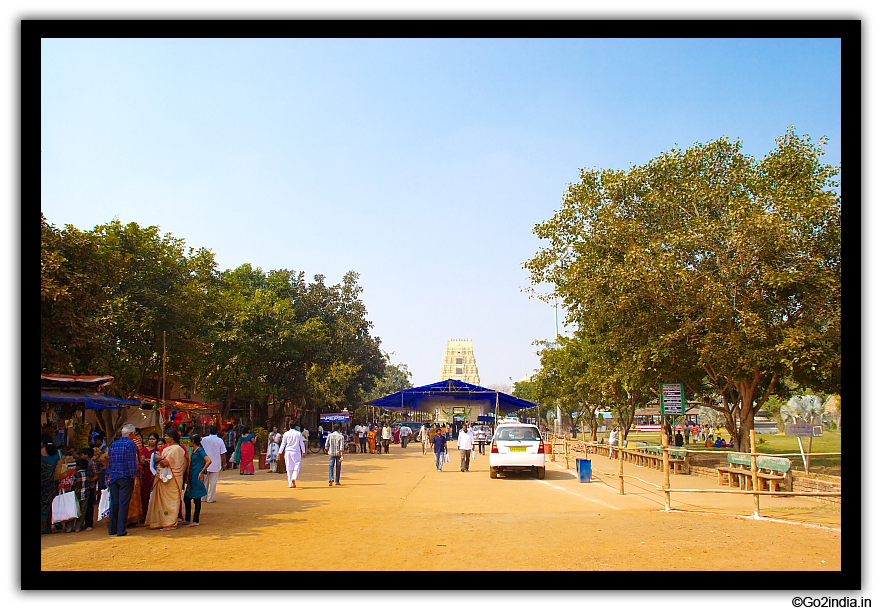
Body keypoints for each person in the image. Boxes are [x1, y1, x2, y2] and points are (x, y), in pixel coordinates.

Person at [145, 428, 188, 531]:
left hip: (172, 479)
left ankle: (171, 522)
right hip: (162, 478)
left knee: (171, 501)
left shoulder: (176, 449)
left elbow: (165, 463)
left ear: (172, 438)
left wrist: (158, 458)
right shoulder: (166, 448)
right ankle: (161, 521)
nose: (165, 438)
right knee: (162, 501)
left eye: (166, 436)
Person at [106, 424, 139, 537]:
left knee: (114, 503)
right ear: (131, 434)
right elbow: (132, 462)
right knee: (123, 503)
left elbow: (109, 460)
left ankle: (112, 529)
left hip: (114, 476)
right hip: (125, 477)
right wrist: (134, 476)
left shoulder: (114, 444)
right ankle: (121, 530)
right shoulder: (130, 444)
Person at [184, 433, 211, 526]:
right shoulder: (195, 450)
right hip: (193, 475)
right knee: (187, 498)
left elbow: (208, 460)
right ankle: (188, 519)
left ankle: (195, 520)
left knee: (196, 498)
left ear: (193, 441)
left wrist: (201, 472)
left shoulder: (200, 450)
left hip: (196, 475)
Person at [41, 434, 65, 534]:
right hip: (53, 482)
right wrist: (60, 481)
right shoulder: (58, 453)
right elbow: (60, 469)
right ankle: (48, 527)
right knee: (51, 503)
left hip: (42, 482)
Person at [200, 425, 226, 502]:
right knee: (213, 482)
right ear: (217, 431)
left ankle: (203, 497)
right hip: (215, 463)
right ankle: (211, 499)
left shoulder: (204, 439)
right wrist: (224, 463)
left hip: (205, 463)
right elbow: (223, 453)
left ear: (209, 431)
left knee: (205, 482)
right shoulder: (220, 440)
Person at [279, 421, 306, 488]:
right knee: (297, 465)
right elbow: (301, 444)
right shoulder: (298, 433)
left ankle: (290, 483)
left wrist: (279, 452)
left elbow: (283, 444)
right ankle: (294, 477)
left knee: (288, 467)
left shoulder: (286, 434)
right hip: (296, 451)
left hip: (288, 451)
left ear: (289, 426)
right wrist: (304, 452)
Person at [72, 458, 91, 532]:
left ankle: (69, 527)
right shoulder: (88, 474)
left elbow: (73, 485)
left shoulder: (76, 475)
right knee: (83, 512)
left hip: (76, 495)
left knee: (74, 511)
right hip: (86, 495)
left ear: (79, 466)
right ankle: (78, 527)